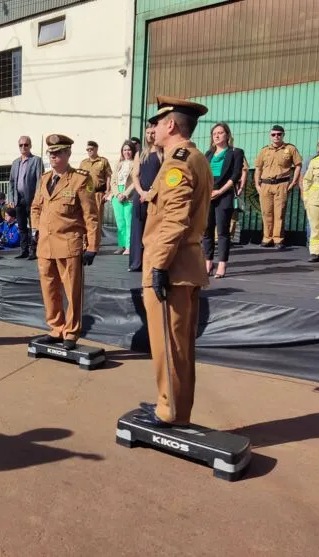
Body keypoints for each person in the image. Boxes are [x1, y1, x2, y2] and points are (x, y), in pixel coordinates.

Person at [133, 96, 211, 428]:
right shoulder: (194, 157)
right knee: (179, 345)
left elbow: (174, 220)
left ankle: (169, 410)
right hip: (186, 262)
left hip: (172, 264)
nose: (153, 129)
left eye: (158, 122)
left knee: (168, 344)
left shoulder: (177, 161)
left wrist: (159, 266)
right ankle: (176, 405)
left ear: (171, 125)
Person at [30, 134, 99, 350]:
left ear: (68, 153)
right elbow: (35, 207)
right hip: (45, 245)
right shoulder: (44, 179)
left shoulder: (80, 179)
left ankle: (70, 332)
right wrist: (36, 229)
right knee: (49, 289)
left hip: (69, 244)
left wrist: (93, 246)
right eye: (51, 152)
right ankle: (56, 328)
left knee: (72, 291)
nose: (53, 156)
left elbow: (91, 215)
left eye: (58, 152)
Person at [202, 122, 245, 278]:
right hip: (208, 195)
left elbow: (235, 176)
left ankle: (221, 265)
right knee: (206, 231)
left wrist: (219, 191)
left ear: (227, 134)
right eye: (214, 134)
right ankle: (208, 264)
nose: (217, 136)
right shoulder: (208, 154)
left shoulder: (236, 152)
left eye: (220, 132)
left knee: (222, 232)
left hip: (224, 194)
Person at [254, 125, 303, 249]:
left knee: (279, 213)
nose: (276, 136)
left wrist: (293, 182)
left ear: (283, 135)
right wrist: (257, 184)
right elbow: (258, 168)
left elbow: (298, 165)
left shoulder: (290, 149)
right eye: (273, 134)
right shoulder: (264, 150)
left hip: (282, 184)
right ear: (270, 136)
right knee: (266, 212)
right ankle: (267, 238)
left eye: (279, 134)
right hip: (265, 184)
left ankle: (278, 239)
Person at [129, 124, 162, 272]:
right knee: (137, 229)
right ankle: (136, 263)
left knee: (154, 230)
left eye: (153, 133)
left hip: (156, 196)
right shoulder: (140, 154)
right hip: (140, 196)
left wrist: (151, 193)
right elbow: (135, 176)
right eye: (148, 133)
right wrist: (141, 192)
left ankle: (153, 263)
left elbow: (163, 177)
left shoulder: (164, 153)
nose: (150, 135)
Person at [8, 135, 44, 259]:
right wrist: (11, 199)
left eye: (26, 145)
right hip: (18, 199)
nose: (23, 147)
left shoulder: (36, 160)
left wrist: (39, 198)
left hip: (33, 199)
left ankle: (34, 251)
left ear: (30, 146)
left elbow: (40, 180)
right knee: (22, 226)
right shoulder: (15, 162)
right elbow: (11, 182)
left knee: (34, 226)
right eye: (21, 145)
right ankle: (24, 251)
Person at [79, 141, 112, 253]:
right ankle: (84, 244)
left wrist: (108, 192)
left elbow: (108, 177)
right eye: (88, 149)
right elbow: (79, 177)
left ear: (96, 149)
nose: (89, 151)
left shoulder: (103, 161)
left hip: (98, 193)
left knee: (96, 220)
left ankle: (94, 246)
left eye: (91, 149)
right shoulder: (83, 162)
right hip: (85, 194)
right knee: (85, 219)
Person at [108, 141, 137, 255]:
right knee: (120, 222)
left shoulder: (136, 163)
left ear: (133, 151)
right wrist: (117, 194)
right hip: (117, 194)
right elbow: (113, 181)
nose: (127, 152)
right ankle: (121, 245)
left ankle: (129, 246)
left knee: (128, 221)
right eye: (125, 150)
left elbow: (135, 181)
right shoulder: (118, 164)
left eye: (129, 149)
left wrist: (125, 194)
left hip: (129, 194)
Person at [302, 135, 319, 263]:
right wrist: (306, 197)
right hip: (315, 198)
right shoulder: (314, 161)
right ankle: (314, 251)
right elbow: (307, 180)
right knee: (315, 226)